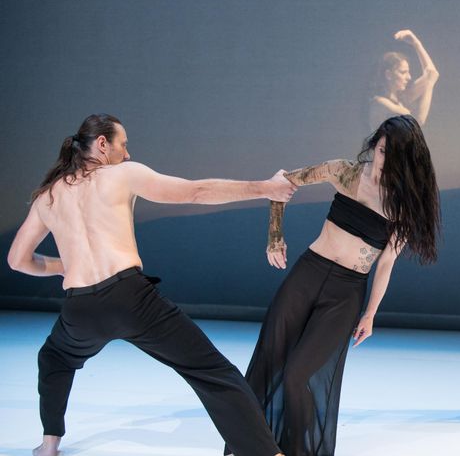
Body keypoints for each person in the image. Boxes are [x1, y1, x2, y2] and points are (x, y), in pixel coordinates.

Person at [6, 114, 294, 456]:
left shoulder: (49, 196)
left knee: (54, 358)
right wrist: (266, 188)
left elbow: (17, 260)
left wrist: (63, 266)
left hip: (80, 308)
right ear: (102, 144)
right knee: (213, 372)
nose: (127, 154)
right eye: (123, 144)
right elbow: (196, 192)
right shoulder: (122, 175)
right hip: (130, 300)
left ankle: (48, 445)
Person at [237, 115, 440, 456]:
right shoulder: (344, 171)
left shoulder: (402, 205)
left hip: (346, 293)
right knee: (269, 360)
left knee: (298, 375)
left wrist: (371, 313)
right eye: (381, 150)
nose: (383, 159)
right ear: (375, 145)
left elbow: (386, 262)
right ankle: (250, 446)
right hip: (307, 275)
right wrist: (275, 237)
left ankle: (297, 450)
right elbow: (283, 182)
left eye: (393, 155)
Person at [368, 29, 439, 129]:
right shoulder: (379, 103)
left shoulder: (402, 99)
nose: (409, 77)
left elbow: (432, 74)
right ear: (388, 75)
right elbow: (417, 121)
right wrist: (430, 84)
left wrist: (416, 44)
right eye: (403, 72)